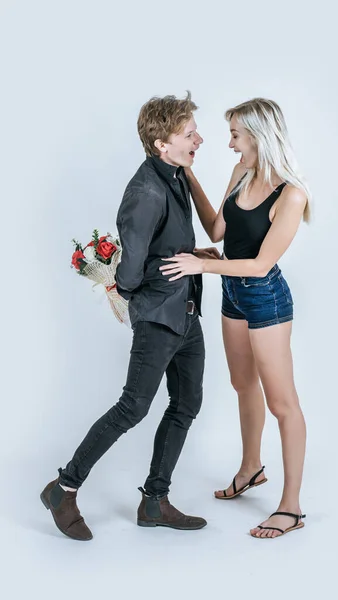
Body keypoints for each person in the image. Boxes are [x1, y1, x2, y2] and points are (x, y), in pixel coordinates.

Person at [40, 92, 213, 540]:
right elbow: (130, 274)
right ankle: (64, 487)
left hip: (187, 316)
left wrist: (194, 254)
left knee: (187, 404)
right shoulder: (145, 190)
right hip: (158, 317)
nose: (199, 138)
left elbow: (162, 246)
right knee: (132, 407)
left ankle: (154, 500)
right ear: (162, 143)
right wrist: (164, 272)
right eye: (189, 133)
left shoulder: (175, 176)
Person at [159, 98, 311, 539]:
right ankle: (251, 468)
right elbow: (217, 231)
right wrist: (185, 171)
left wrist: (201, 266)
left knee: (283, 404)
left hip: (265, 298)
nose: (228, 144)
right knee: (242, 385)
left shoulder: (291, 193)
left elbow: (261, 265)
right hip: (232, 292)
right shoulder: (241, 172)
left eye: (235, 136)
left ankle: (292, 507)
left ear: (259, 137)